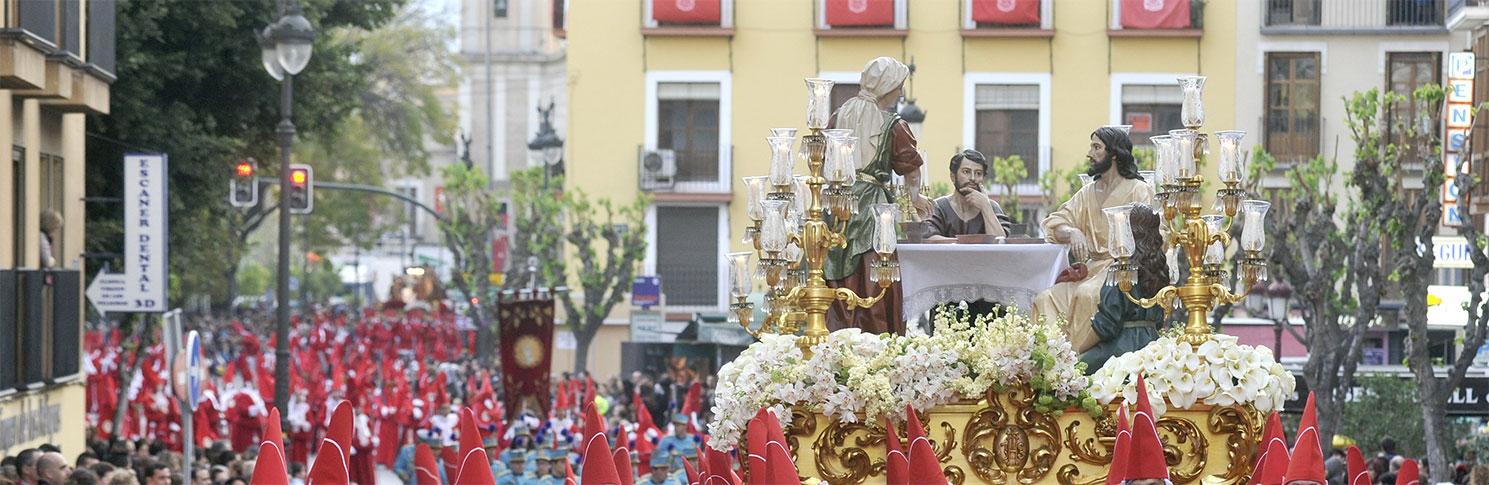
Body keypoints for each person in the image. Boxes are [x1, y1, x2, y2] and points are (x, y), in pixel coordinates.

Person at [824, 56, 932, 335]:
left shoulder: (838, 115)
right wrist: (914, 198)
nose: (901, 93)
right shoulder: (894, 124)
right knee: (876, 271)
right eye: (898, 86)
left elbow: (822, 158)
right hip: (874, 209)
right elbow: (911, 169)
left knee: (838, 267)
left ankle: (839, 333)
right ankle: (876, 336)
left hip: (837, 206)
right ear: (887, 87)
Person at [1034, 126, 1155, 353]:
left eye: (1096, 147)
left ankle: (1075, 364)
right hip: (1092, 270)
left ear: (1114, 154)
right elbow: (1054, 223)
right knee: (1046, 298)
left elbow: (1153, 236)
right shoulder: (1087, 193)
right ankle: (1052, 361)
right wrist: (1072, 232)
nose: (1090, 153)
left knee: (1086, 294)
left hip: (1122, 269)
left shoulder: (1139, 190)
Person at [1077, 204, 1166, 373]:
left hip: (1120, 351)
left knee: (1074, 373)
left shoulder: (1122, 270)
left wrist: (1079, 350)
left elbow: (1107, 324)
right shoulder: (1160, 269)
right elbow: (1161, 319)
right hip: (1153, 348)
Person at [926, 149, 1011, 240]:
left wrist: (986, 207)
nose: (973, 178)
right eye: (966, 172)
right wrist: (966, 243)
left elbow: (1000, 242)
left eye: (978, 173)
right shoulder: (938, 207)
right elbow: (929, 238)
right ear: (953, 176)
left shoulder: (992, 207)